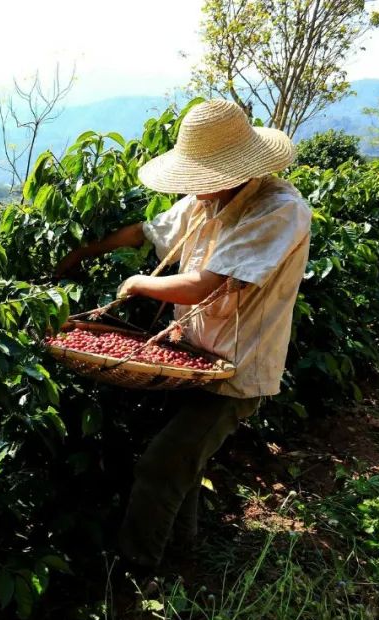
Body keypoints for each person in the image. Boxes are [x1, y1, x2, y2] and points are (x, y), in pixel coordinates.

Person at [56, 99, 312, 571]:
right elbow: (146, 232)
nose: (197, 187)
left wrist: (137, 284)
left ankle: (138, 574)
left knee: (161, 465)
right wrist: (84, 252)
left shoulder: (279, 210)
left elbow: (203, 286)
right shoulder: (205, 200)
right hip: (189, 356)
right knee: (183, 467)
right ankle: (183, 550)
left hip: (236, 368)